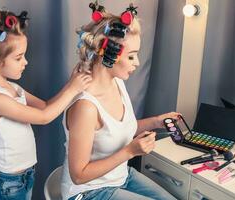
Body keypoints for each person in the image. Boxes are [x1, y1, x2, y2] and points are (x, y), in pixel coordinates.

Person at [0, 9, 92, 200]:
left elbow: (44, 106)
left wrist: (71, 82)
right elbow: (44, 117)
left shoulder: (14, 88)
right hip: (8, 183)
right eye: (18, 57)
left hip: (23, 176)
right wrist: (73, 89)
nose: (25, 62)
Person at [61, 3, 180, 200]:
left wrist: (157, 121)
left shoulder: (117, 83)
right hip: (88, 192)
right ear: (107, 54)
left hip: (119, 177)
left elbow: (115, 132)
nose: (138, 62)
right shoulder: (86, 107)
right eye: (131, 56)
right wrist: (129, 152)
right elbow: (78, 175)